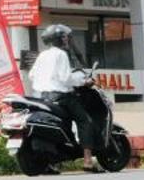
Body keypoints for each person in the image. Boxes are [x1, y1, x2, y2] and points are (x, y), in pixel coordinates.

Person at [28, 23, 104, 161]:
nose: (67, 40)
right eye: (65, 37)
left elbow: (31, 76)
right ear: (59, 39)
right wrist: (84, 82)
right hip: (61, 97)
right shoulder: (61, 54)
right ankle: (88, 160)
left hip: (42, 97)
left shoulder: (42, 55)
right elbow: (65, 78)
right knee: (85, 120)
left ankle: (53, 161)